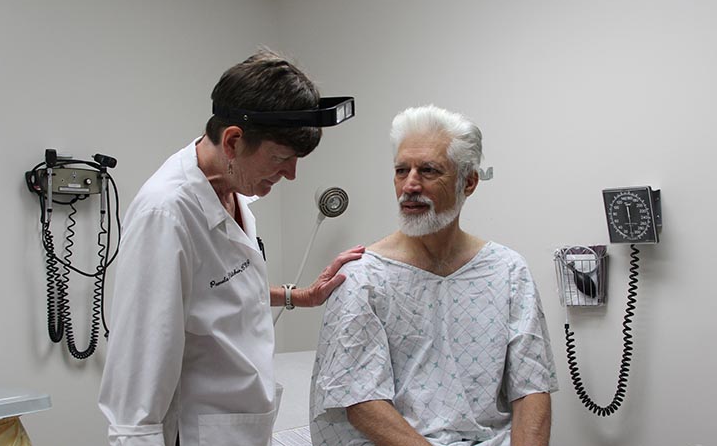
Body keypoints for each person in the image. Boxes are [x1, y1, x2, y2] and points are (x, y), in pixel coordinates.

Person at [98, 49, 364, 446]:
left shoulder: (229, 192)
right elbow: (138, 371)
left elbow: (211, 294)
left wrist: (298, 297)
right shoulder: (166, 215)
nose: (290, 174)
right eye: (280, 158)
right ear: (234, 140)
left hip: (240, 429)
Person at [310, 105, 558, 446]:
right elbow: (361, 400)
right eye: (401, 170)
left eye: (428, 171)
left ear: (467, 182)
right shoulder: (363, 278)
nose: (410, 185)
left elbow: (533, 387)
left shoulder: (507, 271)